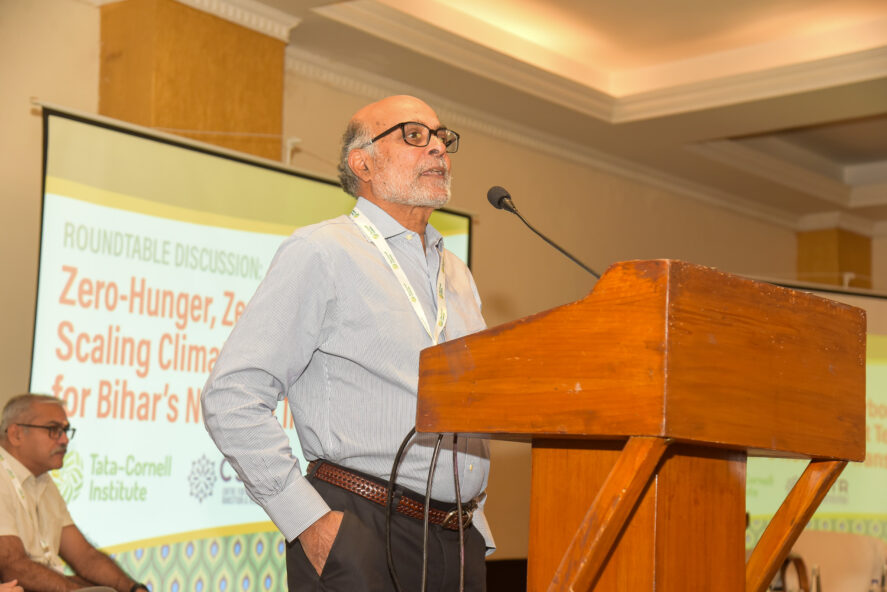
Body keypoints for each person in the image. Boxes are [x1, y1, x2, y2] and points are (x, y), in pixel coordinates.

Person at [202, 95, 492, 591]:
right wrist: (310, 522)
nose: (439, 148)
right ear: (364, 163)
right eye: (415, 135)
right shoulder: (321, 252)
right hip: (361, 525)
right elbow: (231, 396)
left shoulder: (456, 273)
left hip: (457, 540)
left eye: (443, 137)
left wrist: (475, 525)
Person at [0, 394, 149, 592]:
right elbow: (13, 568)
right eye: (53, 430)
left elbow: (85, 556)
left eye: (65, 430)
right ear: (16, 434)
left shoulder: (43, 481)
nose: (64, 439)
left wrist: (133, 589)